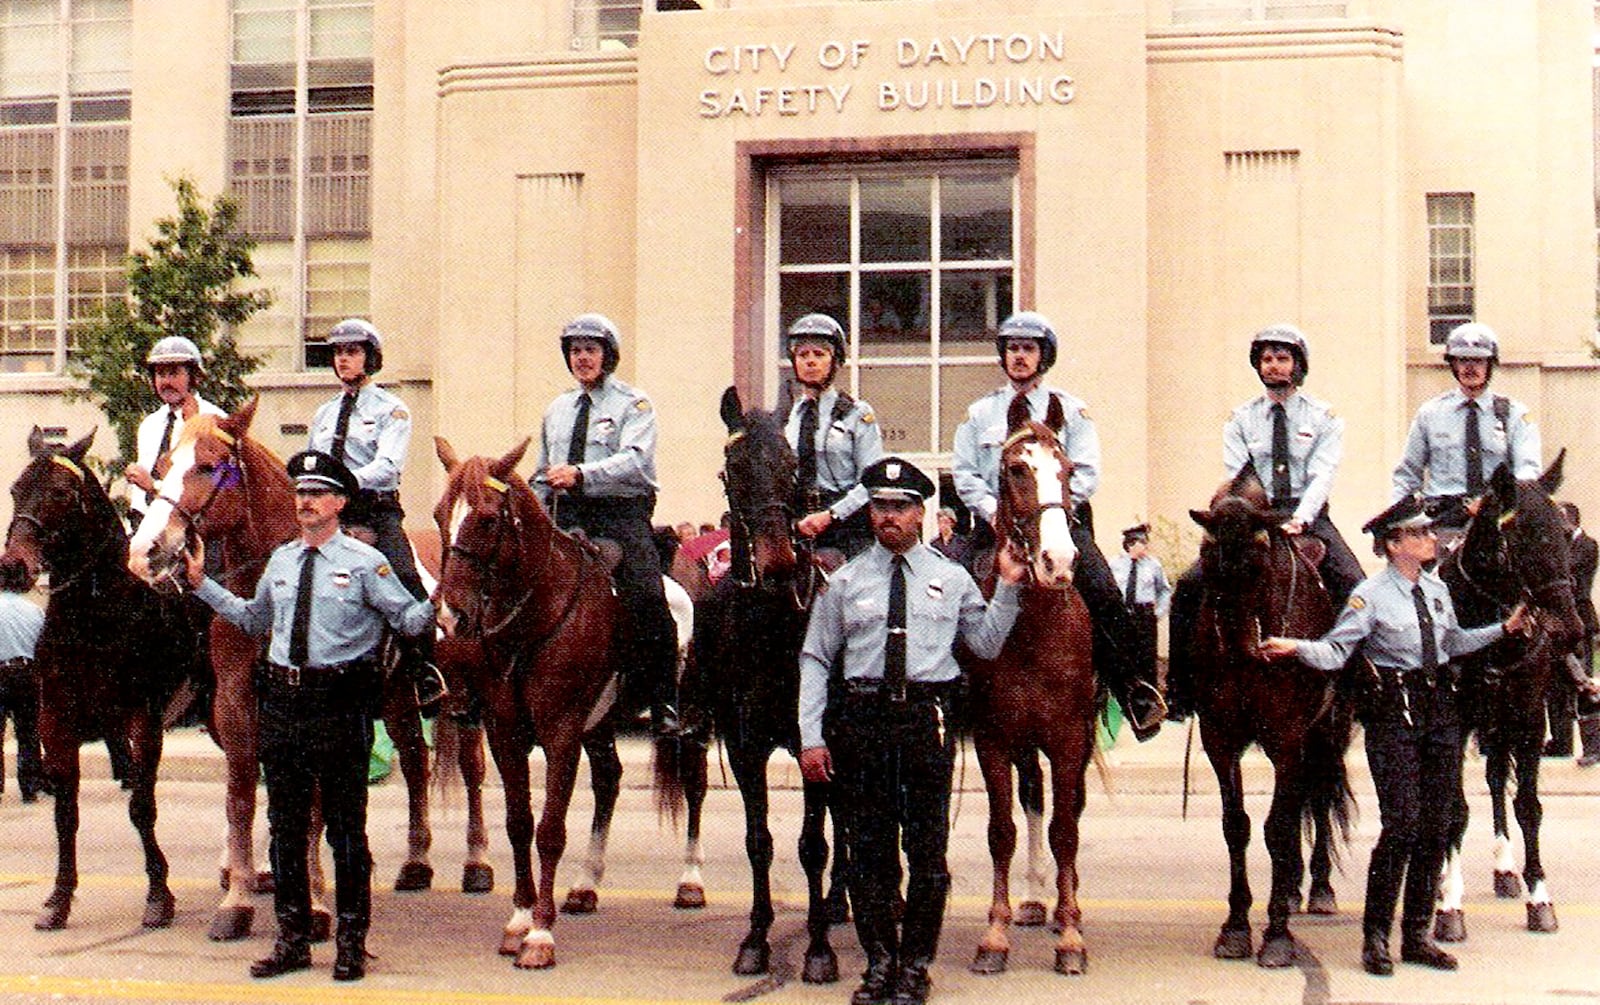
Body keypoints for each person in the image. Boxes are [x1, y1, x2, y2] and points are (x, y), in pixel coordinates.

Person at [184, 450, 436, 982]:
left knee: (346, 832)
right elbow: (253, 619)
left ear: (340, 503)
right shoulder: (281, 562)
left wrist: (444, 600)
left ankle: (350, 941)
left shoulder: (367, 563)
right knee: (285, 830)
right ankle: (292, 939)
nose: (306, 502)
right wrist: (203, 583)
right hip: (284, 702)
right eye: (300, 493)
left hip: (339, 703)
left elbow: (409, 619)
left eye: (317, 494)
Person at [1260, 494, 1526, 977]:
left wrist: (1502, 630)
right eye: (1421, 533)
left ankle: (1417, 935)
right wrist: (1294, 647)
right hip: (1394, 716)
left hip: (1439, 711)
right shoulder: (1370, 595)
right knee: (1402, 823)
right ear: (1394, 544)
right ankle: (1376, 936)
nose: (1431, 539)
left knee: (1438, 825)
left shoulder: (1437, 590)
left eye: (1430, 531)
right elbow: (1338, 650)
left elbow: (1453, 643)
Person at [799, 456, 1025, 1005]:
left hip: (925, 722)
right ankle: (879, 964)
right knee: (868, 852)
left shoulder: (951, 579)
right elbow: (816, 657)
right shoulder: (846, 581)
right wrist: (811, 736)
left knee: (928, 853)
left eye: (900, 507)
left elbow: (988, 643)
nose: (888, 517)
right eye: (880, 506)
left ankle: (916, 966)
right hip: (863, 721)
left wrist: (1011, 587)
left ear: (922, 513)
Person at [950, 309, 1165, 737]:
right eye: (1012, 349)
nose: (1019, 357)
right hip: (997, 522)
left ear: (1043, 356)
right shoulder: (980, 414)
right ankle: (952, 692)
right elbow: (964, 473)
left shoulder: (1072, 411)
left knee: (1105, 589)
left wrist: (1053, 513)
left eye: (1028, 349)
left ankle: (1133, 689)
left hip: (1060, 522)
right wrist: (994, 511)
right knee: (953, 584)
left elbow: (1086, 472)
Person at [531, 312, 680, 736]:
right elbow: (543, 471)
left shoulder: (634, 404)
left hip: (620, 515)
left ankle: (663, 699)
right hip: (568, 516)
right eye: (575, 351)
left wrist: (581, 473)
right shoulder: (557, 409)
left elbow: (636, 461)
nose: (582, 358)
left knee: (648, 596)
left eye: (590, 350)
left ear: (607, 355)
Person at [306, 318, 445, 710]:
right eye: (337, 353)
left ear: (371, 357)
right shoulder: (323, 414)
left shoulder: (392, 409)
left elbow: (387, 467)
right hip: (326, 513)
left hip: (373, 510)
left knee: (405, 578)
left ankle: (425, 672)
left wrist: (341, 480)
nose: (343, 360)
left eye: (351, 352)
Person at [1392, 322, 1542, 532]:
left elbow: (1528, 471)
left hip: (1497, 523)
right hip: (1443, 523)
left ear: (1491, 364)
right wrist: (1398, 523)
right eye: (1462, 360)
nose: (1470, 367)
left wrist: (1496, 500)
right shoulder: (1430, 413)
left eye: (1478, 360)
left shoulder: (1515, 415)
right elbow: (1407, 475)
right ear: (1453, 364)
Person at [783, 313, 883, 559]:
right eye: (802, 355)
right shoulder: (788, 416)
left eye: (819, 354)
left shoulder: (857, 414)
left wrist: (831, 515)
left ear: (835, 361)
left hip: (847, 529)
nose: (810, 362)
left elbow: (871, 480)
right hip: (798, 527)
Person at [123, 336, 227, 524]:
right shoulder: (150, 424)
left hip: (190, 529)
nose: (166, 382)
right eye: (161, 374)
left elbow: (223, 486)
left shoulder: (212, 420)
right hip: (145, 527)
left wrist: (153, 486)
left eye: (174, 373)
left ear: (194, 377)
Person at [1553, 501, 1600, 763]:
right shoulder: (1559, 545)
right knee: (1556, 684)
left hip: (1580, 619)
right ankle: (1561, 743)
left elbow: (1566, 570)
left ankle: (1593, 746)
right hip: (1557, 620)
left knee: (1583, 681)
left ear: (1572, 518)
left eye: (1559, 517)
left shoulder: (1588, 544)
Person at [1109, 523, 1171, 712]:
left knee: (1146, 659)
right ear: (1131, 544)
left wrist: (1157, 613)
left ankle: (1148, 703)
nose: (1146, 547)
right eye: (1142, 543)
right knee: (1123, 657)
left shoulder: (1153, 565)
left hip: (1144, 616)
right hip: (1122, 616)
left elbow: (1165, 591)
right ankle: (1124, 701)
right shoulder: (1115, 564)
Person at [0, 562, 45, 803]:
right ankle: (29, 787)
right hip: (27, 674)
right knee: (28, 733)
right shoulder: (34, 610)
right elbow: (43, 646)